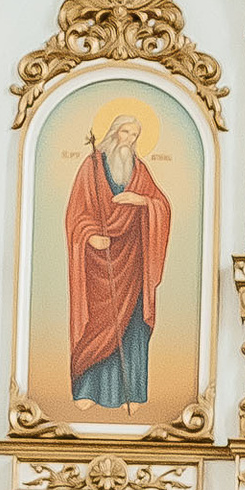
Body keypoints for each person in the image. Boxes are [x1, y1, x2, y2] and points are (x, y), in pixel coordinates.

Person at [64, 113, 174, 413]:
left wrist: (142, 202)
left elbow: (161, 205)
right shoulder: (91, 167)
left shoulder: (140, 170)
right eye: (126, 133)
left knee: (132, 326)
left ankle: (132, 392)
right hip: (98, 263)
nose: (130, 141)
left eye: (135, 136)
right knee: (98, 325)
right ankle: (87, 389)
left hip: (134, 263)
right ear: (113, 132)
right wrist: (89, 236)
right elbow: (75, 215)